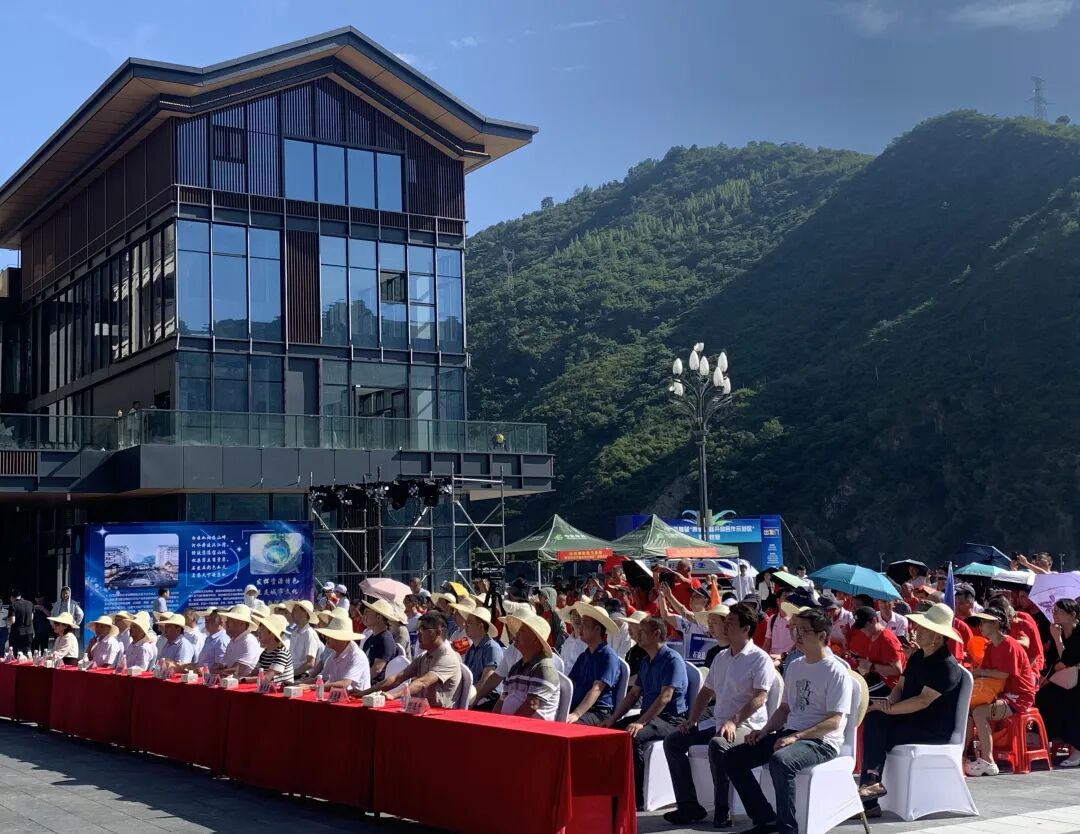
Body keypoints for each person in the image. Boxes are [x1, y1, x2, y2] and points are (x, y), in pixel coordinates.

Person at [723, 608, 854, 834]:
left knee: (781, 761)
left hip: (821, 741)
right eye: (795, 630)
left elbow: (834, 721)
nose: (797, 636)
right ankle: (765, 819)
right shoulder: (795, 666)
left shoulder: (836, 671)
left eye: (803, 631)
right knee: (732, 758)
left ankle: (788, 828)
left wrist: (797, 737)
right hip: (791, 734)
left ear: (822, 636)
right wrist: (764, 730)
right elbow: (784, 709)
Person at [662, 602, 774, 827]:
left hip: (747, 726)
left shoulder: (760, 658)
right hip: (719, 722)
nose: (725, 627)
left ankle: (723, 810)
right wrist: (692, 719)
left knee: (718, 744)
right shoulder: (721, 657)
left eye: (730, 623)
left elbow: (760, 698)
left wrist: (734, 721)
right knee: (673, 741)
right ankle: (688, 805)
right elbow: (706, 691)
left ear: (745, 629)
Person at [857, 603, 965, 809]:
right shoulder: (918, 656)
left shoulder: (946, 667)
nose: (916, 631)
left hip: (931, 728)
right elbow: (900, 686)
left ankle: (870, 792)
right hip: (908, 718)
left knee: (879, 729)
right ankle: (871, 784)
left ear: (937, 636)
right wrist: (888, 702)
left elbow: (922, 701)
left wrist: (888, 709)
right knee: (874, 718)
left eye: (923, 628)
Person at [605, 616, 688, 811]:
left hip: (671, 719)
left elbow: (665, 697)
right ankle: (615, 789)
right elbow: (633, 694)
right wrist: (613, 719)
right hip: (650, 715)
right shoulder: (645, 661)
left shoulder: (672, 660)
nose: (637, 635)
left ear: (656, 633)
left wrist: (641, 722)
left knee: (634, 737)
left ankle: (637, 797)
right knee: (612, 732)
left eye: (642, 632)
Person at [965, 606, 1037, 776]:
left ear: (996, 624)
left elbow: (1003, 674)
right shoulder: (991, 646)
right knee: (967, 710)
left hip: (1020, 696)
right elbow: (986, 672)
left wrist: (979, 672)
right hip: (1002, 693)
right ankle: (963, 754)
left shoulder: (1009, 644)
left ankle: (988, 761)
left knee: (979, 713)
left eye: (984, 622)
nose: (980, 626)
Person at [358, 611, 461, 707]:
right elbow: (397, 678)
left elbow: (423, 682)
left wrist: (393, 695)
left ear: (438, 632)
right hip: (420, 710)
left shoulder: (447, 658)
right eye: (418, 628)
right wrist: (364, 693)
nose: (418, 633)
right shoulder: (423, 656)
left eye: (423, 628)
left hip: (440, 714)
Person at [1034, 598, 1080, 767]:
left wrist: (1058, 639)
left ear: (1072, 614)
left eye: (1059, 611)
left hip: (1076, 682)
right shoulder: (1056, 631)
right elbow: (1055, 661)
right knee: (1043, 696)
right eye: (1054, 611)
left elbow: (1066, 660)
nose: (1055, 615)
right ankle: (1052, 736)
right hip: (1064, 680)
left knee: (1071, 702)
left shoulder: (1078, 634)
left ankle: (1077, 749)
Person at [494, 612, 560, 720]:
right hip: (511, 725)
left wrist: (507, 724)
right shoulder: (516, 667)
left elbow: (532, 705)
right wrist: (492, 720)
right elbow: (502, 698)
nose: (516, 634)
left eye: (522, 631)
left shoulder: (544, 668)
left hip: (531, 728)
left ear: (535, 639)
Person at [565, 602, 622, 725]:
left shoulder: (608, 657)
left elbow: (597, 689)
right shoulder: (584, 656)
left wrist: (577, 714)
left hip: (598, 712)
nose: (580, 627)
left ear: (597, 629)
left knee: (570, 726)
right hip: (578, 706)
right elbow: (570, 682)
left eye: (585, 624)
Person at [294, 612, 370, 691]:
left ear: (340, 638)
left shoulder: (356, 656)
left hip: (357, 698)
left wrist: (309, 686)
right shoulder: (333, 656)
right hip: (341, 696)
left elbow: (344, 684)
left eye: (329, 636)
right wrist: (299, 684)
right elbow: (322, 679)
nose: (326, 637)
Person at [851, 607, 906, 696]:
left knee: (857, 693)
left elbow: (897, 670)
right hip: (879, 677)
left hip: (890, 684)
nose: (862, 630)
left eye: (863, 626)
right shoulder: (872, 635)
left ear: (874, 621)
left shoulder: (887, 640)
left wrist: (871, 666)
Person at [460, 606, 504, 711]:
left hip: (487, 699)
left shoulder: (492, 648)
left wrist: (470, 701)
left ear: (480, 626)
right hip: (473, 696)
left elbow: (486, 681)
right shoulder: (471, 649)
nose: (465, 625)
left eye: (470, 623)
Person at [361, 598, 405, 684]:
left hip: (375, 686)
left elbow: (377, 669)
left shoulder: (385, 640)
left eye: (368, 613)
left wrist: (359, 682)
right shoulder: (371, 638)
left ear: (379, 617)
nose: (364, 616)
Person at [216, 605, 262, 678]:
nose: (226, 623)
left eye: (230, 620)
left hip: (242, 684)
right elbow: (225, 665)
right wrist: (220, 668)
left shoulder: (249, 641)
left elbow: (238, 670)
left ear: (241, 623)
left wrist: (214, 671)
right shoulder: (233, 641)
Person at [246, 613, 293, 685]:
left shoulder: (281, 653)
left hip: (280, 691)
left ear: (271, 633)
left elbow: (266, 678)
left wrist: (243, 679)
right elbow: (254, 673)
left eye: (262, 629)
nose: (258, 632)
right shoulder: (265, 653)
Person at [285, 600, 322, 678]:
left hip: (302, 675)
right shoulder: (294, 633)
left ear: (304, 612)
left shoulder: (309, 633)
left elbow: (310, 663)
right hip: (293, 673)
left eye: (295, 610)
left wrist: (290, 674)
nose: (292, 612)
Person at [7, 590, 34, 655]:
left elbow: (12, 620)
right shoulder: (30, 603)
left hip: (17, 633)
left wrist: (7, 621)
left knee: (14, 654)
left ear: (12, 597)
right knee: (26, 653)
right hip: (29, 632)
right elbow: (32, 618)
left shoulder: (13, 605)